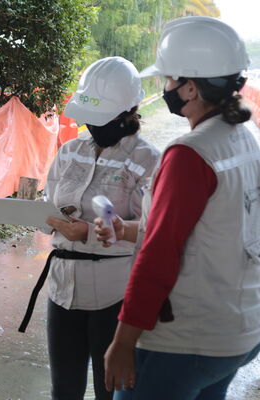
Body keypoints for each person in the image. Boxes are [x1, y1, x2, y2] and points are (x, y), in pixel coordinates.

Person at [95, 17, 260, 400]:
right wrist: (128, 229)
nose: (165, 87)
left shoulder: (190, 154)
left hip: (185, 341)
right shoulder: (243, 140)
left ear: (190, 87)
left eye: (169, 80)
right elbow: (212, 227)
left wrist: (123, 341)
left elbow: (159, 254)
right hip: (236, 331)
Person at [19, 57, 160, 400]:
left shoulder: (146, 160)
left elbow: (153, 232)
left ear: (128, 112)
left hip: (114, 294)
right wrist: (47, 217)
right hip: (62, 288)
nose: (93, 126)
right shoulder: (70, 152)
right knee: (63, 389)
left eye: (102, 117)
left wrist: (90, 236)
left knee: (109, 389)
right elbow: (52, 203)